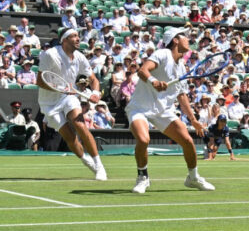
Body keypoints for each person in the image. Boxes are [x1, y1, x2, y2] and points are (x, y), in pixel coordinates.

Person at [126, 27, 214, 193]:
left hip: (163, 111)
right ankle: (142, 177)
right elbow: (142, 70)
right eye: (184, 36)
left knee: (187, 141)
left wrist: (193, 120)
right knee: (144, 140)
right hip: (140, 108)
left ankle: (193, 178)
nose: (188, 39)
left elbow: (181, 96)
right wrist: (154, 81)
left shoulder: (181, 66)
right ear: (175, 40)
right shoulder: (162, 54)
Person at [36, 29, 107, 180]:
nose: (77, 39)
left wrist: (95, 93)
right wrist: (60, 88)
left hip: (68, 97)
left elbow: (93, 79)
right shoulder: (50, 55)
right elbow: (40, 81)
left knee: (80, 124)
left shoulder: (80, 57)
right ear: (64, 40)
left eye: (78, 36)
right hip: (48, 102)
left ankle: (99, 165)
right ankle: (86, 161)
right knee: (69, 135)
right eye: (73, 36)